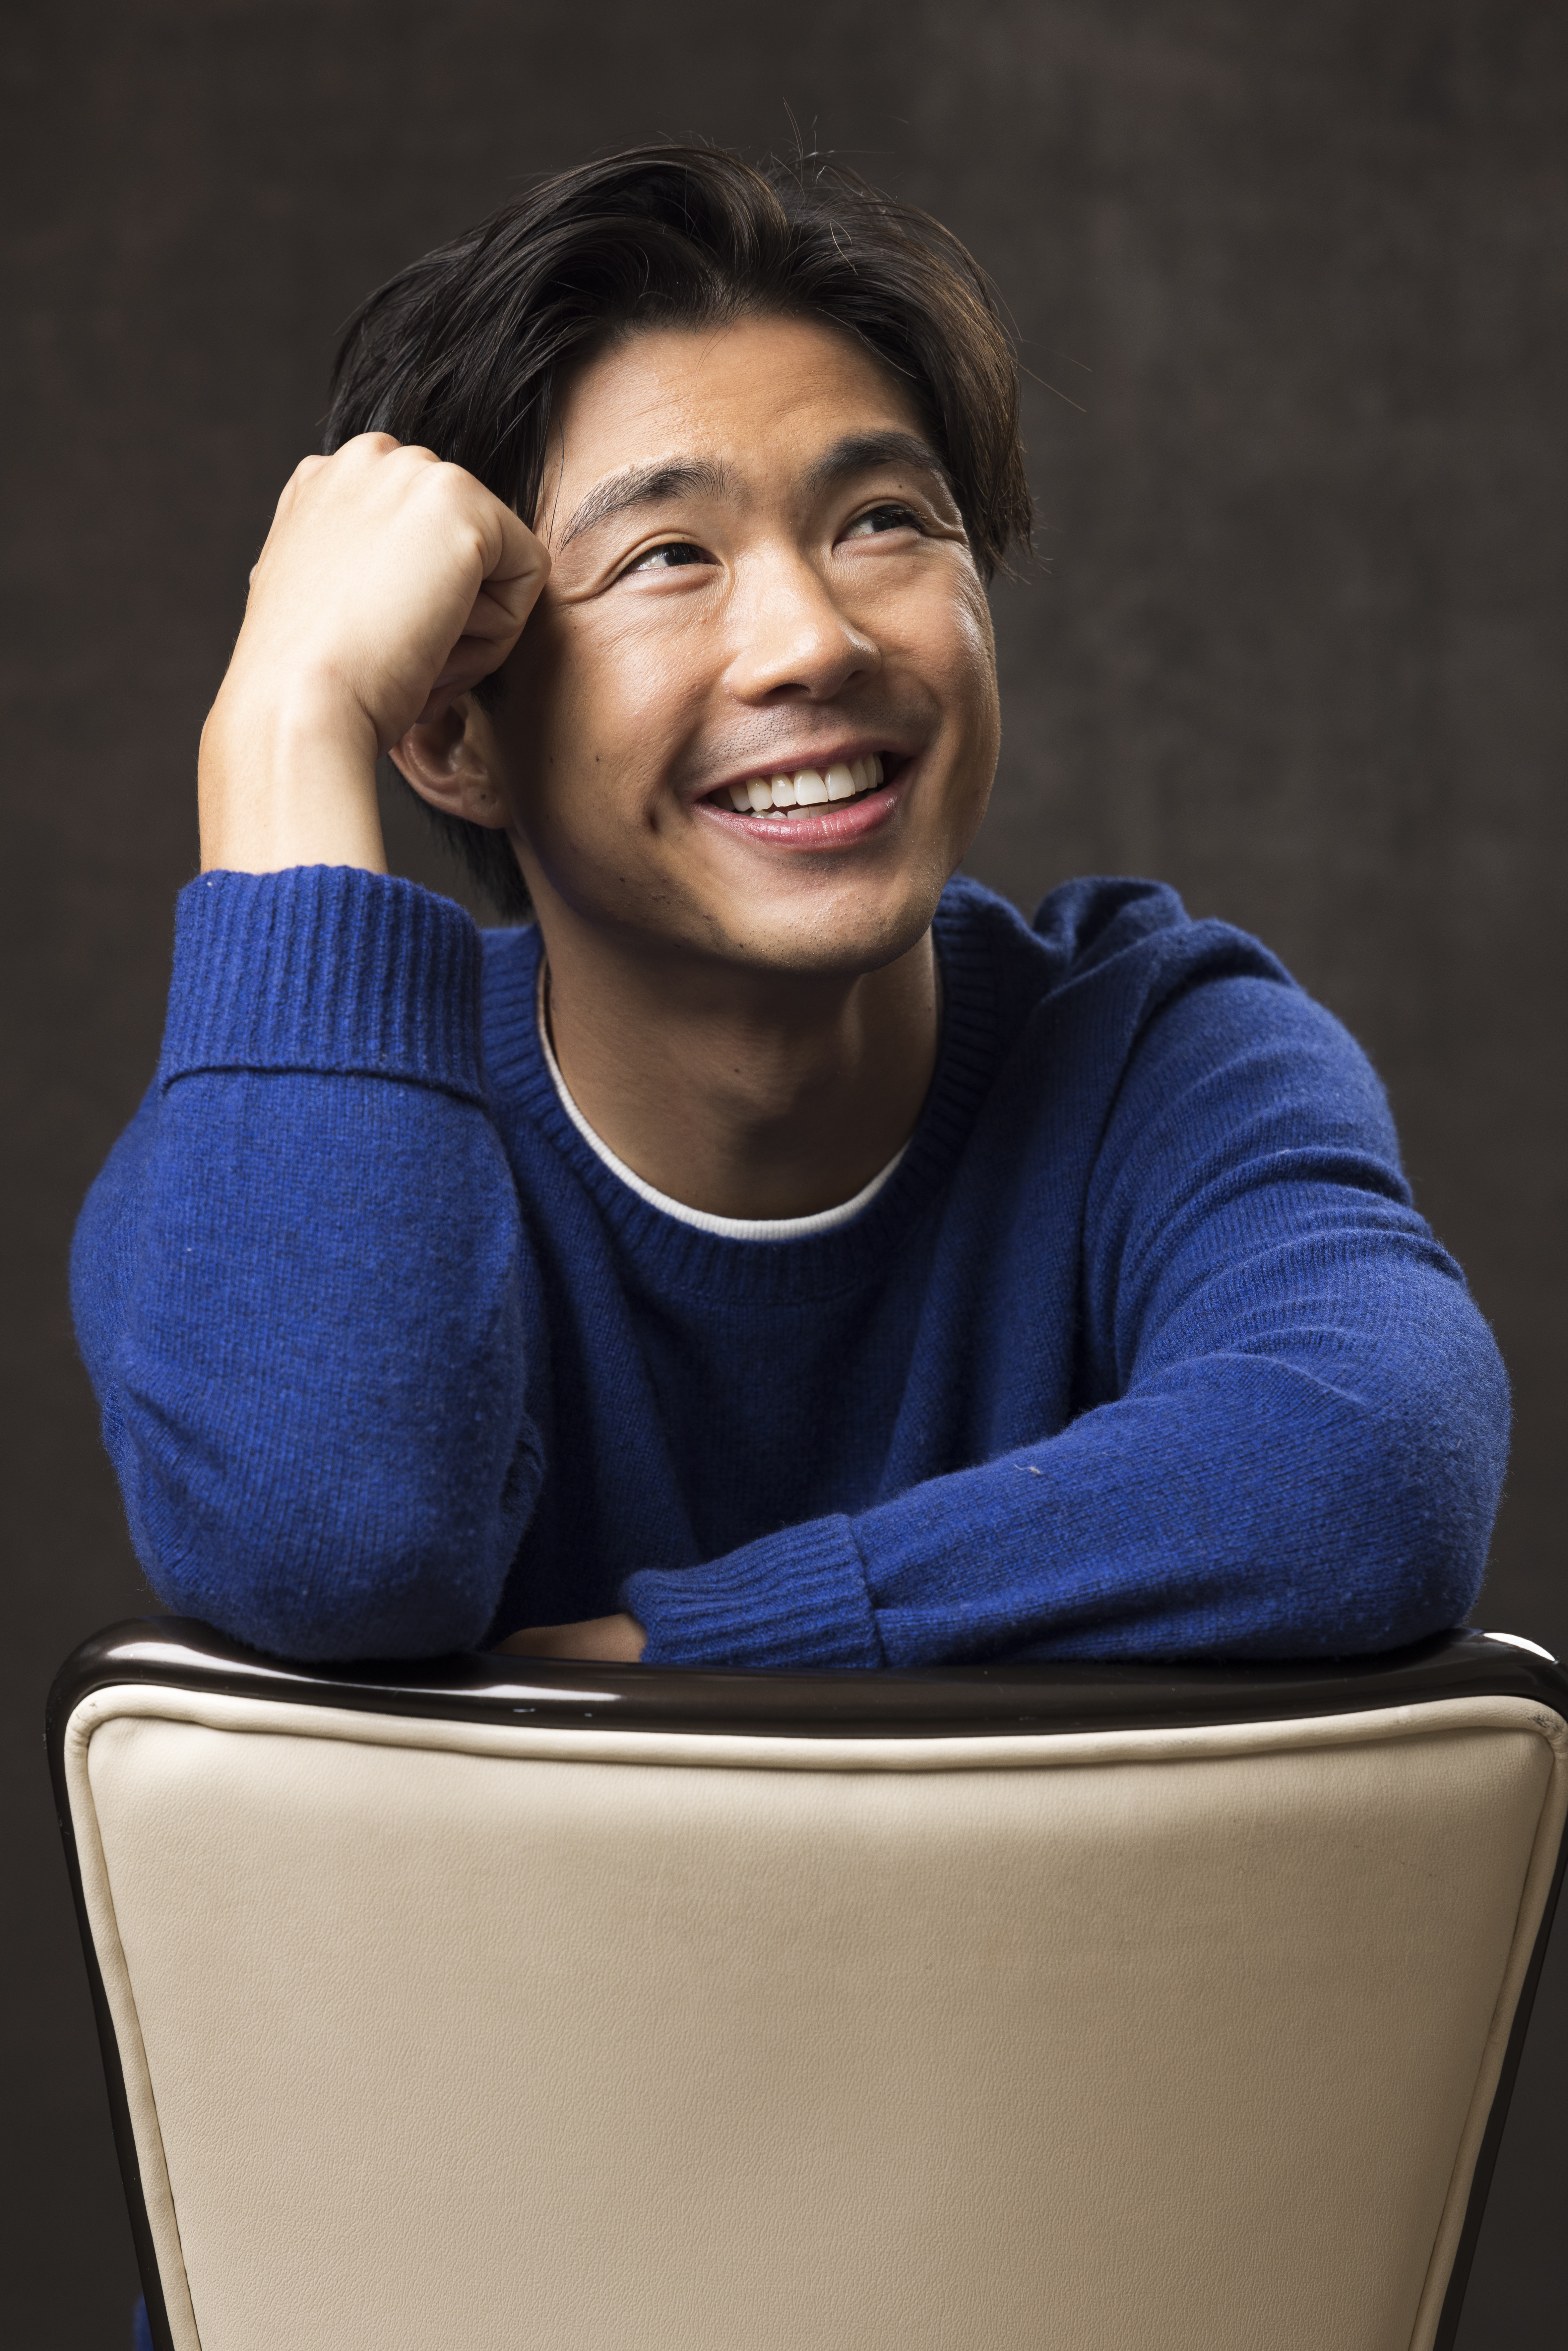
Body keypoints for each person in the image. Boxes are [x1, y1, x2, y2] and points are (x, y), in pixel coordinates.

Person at [73, 143, 1508, 1674]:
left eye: (882, 521)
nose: (812, 643)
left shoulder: (1166, 1052)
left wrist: (681, 1663)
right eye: (668, 556)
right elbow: (330, 1551)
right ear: (452, 734)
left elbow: (1372, 1469)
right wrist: (287, 721)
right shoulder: (268, 1158)